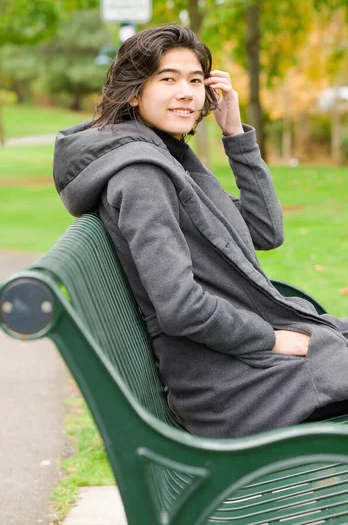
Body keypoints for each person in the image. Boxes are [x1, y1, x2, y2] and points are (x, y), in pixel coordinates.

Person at [53, 24, 348, 438]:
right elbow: (180, 307)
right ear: (134, 92)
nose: (186, 93)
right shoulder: (142, 174)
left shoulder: (168, 154)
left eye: (195, 80)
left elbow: (265, 232)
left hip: (239, 371)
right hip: (233, 389)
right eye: (168, 79)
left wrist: (234, 134)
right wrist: (270, 340)